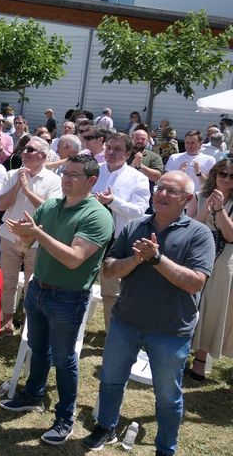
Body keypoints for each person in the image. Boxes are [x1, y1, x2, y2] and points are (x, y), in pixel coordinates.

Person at [84, 171, 214, 456]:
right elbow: (109, 269)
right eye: (160, 188)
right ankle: (105, 426)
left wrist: (157, 259)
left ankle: (165, 448)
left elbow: (195, 281)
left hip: (170, 329)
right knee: (111, 379)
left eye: (171, 191)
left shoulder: (199, 233)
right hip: (126, 320)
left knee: (167, 396)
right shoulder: (135, 226)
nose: (162, 194)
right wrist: (137, 258)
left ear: (187, 199)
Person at [0, 154, 114, 446]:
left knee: (64, 359)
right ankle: (33, 395)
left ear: (91, 181)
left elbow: (75, 259)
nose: (66, 178)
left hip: (68, 296)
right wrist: (24, 238)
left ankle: (64, 418)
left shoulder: (97, 215)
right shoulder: (51, 206)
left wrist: (38, 233)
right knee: (38, 348)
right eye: (65, 173)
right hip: (38, 289)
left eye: (74, 175)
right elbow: (25, 243)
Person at [0, 137, 62, 336]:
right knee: (8, 279)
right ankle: (6, 319)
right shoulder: (11, 174)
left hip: (36, 239)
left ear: (43, 156)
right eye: (24, 149)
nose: (24, 152)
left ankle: (27, 321)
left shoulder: (54, 180)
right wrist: (17, 185)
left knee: (32, 282)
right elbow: (1, 206)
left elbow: (49, 210)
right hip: (9, 235)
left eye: (30, 150)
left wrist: (26, 189)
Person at [93, 132, 150, 329]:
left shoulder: (138, 179)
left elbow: (139, 210)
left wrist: (113, 201)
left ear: (127, 154)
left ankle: (112, 335)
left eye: (117, 149)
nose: (111, 152)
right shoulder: (93, 171)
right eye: (108, 148)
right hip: (88, 237)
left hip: (116, 241)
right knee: (78, 286)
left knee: (111, 293)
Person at [188, 159, 233, 380]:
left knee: (212, 308)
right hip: (196, 254)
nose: (226, 178)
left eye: (231, 176)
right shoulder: (199, 195)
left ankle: (201, 359)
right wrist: (206, 211)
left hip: (224, 260)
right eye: (222, 173)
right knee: (186, 301)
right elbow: (188, 225)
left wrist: (221, 209)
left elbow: (231, 235)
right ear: (214, 173)